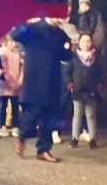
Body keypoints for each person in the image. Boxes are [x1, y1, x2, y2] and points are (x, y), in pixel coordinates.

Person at [10, 17, 75, 162]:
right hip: (35, 79)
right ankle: (22, 136)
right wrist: (26, 23)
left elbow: (65, 55)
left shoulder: (61, 34)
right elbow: (16, 35)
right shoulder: (35, 28)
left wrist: (70, 51)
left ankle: (44, 149)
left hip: (53, 80)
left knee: (51, 117)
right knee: (33, 112)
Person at [68, 32, 107, 148]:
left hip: (92, 89)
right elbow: (67, 72)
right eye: (83, 41)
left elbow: (102, 72)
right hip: (77, 89)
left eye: (88, 41)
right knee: (77, 114)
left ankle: (93, 139)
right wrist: (70, 83)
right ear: (79, 43)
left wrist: (101, 84)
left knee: (91, 114)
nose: (86, 43)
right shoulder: (74, 57)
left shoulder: (97, 57)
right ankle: (74, 138)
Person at [0, 32, 24, 137]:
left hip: (16, 83)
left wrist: (20, 81)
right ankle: (2, 125)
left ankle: (15, 126)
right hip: (5, 83)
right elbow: (4, 69)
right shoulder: (2, 52)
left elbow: (22, 67)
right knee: (3, 104)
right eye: (11, 41)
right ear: (6, 42)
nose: (14, 44)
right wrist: (11, 82)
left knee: (15, 104)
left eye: (14, 41)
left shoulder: (17, 53)